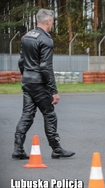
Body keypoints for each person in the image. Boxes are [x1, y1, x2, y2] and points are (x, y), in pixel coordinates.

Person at [12, 9, 75, 159]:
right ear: (48, 21)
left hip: (27, 81)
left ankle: (18, 149)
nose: (52, 24)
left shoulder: (27, 36)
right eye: (52, 22)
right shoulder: (46, 40)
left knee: (27, 115)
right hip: (39, 83)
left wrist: (27, 76)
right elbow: (45, 67)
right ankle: (56, 148)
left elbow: (21, 61)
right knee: (50, 115)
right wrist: (54, 90)